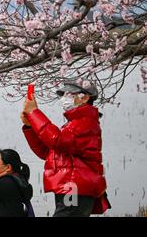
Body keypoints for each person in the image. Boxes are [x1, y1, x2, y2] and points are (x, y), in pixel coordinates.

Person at [21, 79, 110, 217]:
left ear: (85, 97)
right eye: (62, 95)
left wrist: (34, 112)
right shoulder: (73, 124)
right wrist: (30, 126)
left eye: (69, 94)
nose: (64, 99)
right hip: (70, 187)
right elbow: (47, 152)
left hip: (74, 187)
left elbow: (57, 140)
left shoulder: (85, 123)